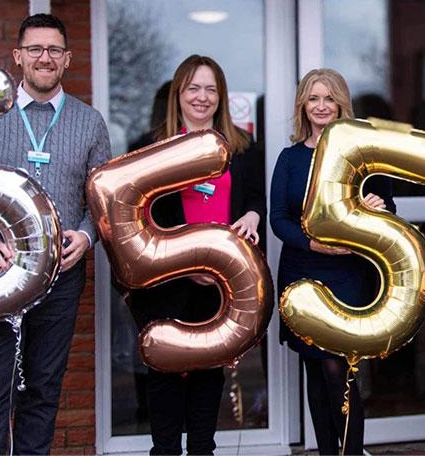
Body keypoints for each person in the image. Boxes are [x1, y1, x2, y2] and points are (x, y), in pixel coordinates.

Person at [0, 13, 111, 454]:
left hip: (61, 277)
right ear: (19, 57)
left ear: (67, 59)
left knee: (41, 392)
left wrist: (86, 236)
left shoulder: (90, 122)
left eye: (54, 50)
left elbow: (101, 200)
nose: (45, 57)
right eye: (35, 49)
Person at [127, 55, 265, 455]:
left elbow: (256, 198)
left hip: (219, 283)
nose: (201, 97)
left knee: (208, 374)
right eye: (193, 88)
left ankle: (203, 451)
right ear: (178, 95)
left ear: (221, 96)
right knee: (164, 374)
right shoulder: (152, 147)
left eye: (210, 89)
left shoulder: (242, 146)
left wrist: (254, 214)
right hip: (167, 282)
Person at [270, 68, 395, 455]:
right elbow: (278, 218)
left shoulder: (363, 155)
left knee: (338, 371)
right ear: (303, 106)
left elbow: (389, 206)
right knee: (313, 369)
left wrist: (380, 206)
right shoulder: (290, 158)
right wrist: (313, 244)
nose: (321, 106)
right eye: (313, 98)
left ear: (341, 103)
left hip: (348, 276)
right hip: (303, 271)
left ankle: (351, 452)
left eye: (329, 98)